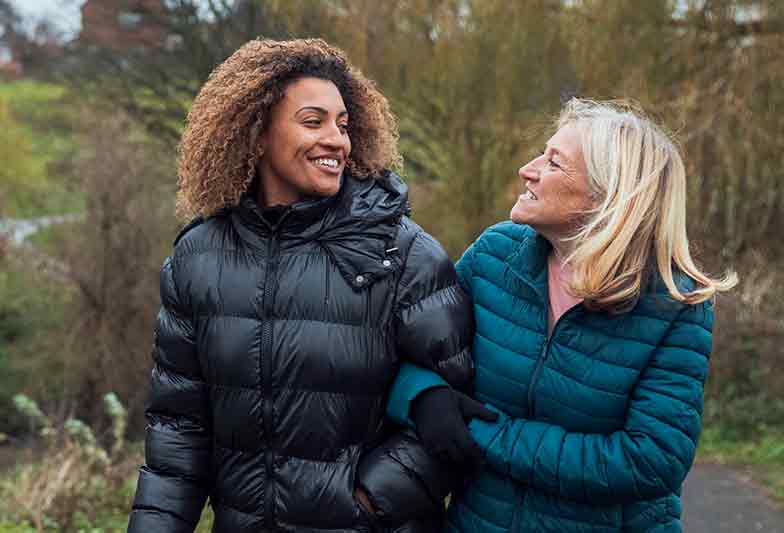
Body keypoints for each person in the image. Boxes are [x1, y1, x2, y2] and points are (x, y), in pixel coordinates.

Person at [127, 38, 491, 533]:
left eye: (343, 125)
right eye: (313, 121)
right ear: (256, 132)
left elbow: (456, 407)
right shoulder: (197, 258)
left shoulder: (402, 253)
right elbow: (178, 432)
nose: (337, 140)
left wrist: (365, 503)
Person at [388, 98, 737, 533]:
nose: (527, 170)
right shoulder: (495, 254)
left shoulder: (676, 304)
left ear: (610, 194)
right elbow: (409, 354)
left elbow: (651, 460)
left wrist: (482, 435)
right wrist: (422, 397)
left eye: (554, 163)